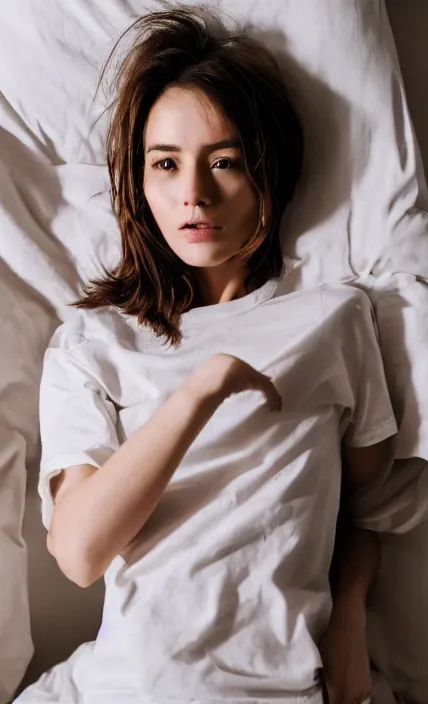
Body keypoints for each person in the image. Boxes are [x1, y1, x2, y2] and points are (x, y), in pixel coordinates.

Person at [16, 8, 396, 704]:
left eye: (223, 162)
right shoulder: (92, 343)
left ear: (267, 173)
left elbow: (369, 506)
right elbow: (78, 553)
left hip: (284, 688)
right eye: (166, 164)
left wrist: (350, 619)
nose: (193, 193)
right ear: (139, 182)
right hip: (122, 687)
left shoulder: (332, 319)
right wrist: (201, 391)